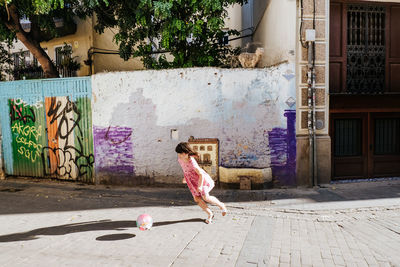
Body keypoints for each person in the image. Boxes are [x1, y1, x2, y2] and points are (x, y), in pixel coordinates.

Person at [175, 142, 227, 224]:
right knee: (197, 199)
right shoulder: (180, 159)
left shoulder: (192, 163)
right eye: (178, 154)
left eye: (180, 154)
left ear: (186, 153)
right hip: (192, 181)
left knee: (205, 197)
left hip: (202, 180)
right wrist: (185, 178)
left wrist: (199, 186)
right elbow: (185, 169)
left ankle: (221, 205)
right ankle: (210, 214)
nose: (179, 155)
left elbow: (201, 174)